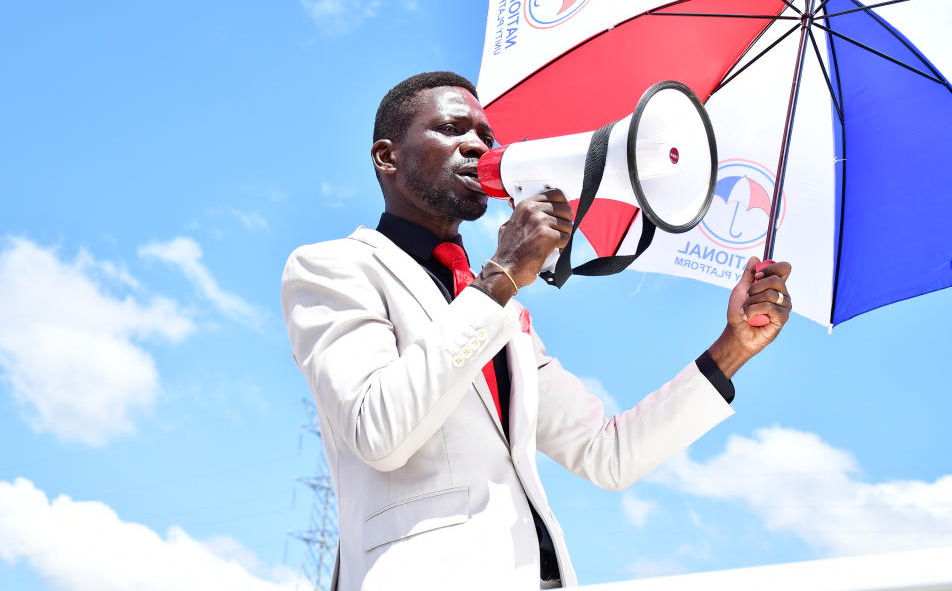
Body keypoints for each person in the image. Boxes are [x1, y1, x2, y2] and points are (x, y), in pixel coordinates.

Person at [281, 71, 792, 590]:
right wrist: (501, 276)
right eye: (452, 129)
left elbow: (607, 453)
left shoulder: (493, 306)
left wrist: (733, 348)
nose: (477, 147)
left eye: (485, 135)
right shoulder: (334, 268)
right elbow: (378, 431)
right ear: (387, 157)